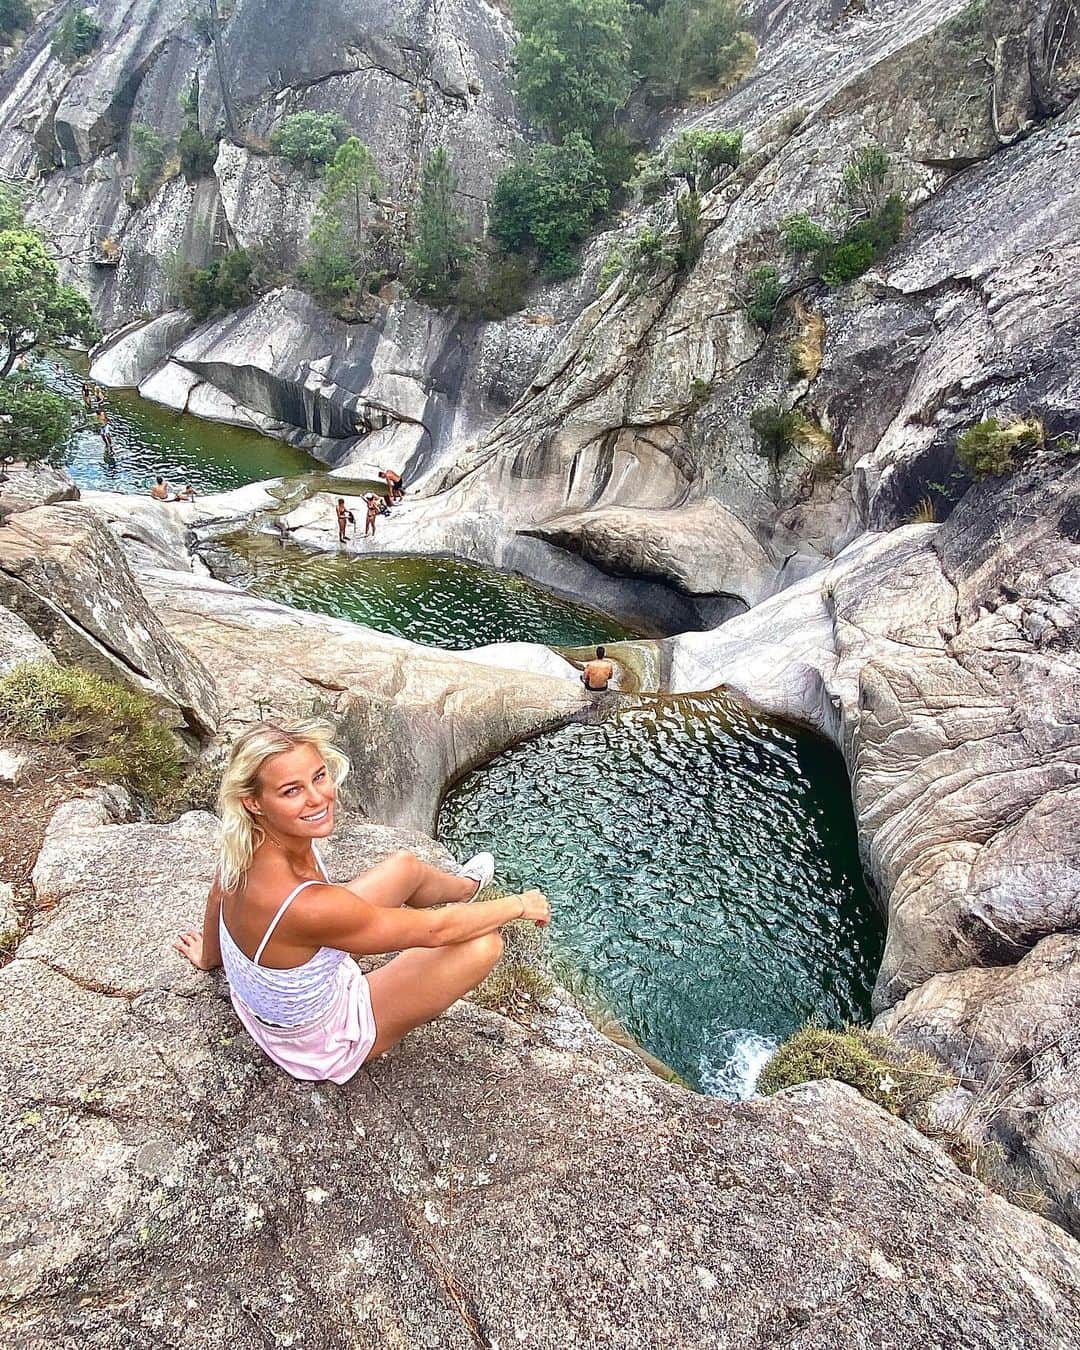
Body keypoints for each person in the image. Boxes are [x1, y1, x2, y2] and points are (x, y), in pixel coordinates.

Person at [173, 720, 550, 1082]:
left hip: (268, 996)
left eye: (319, 776)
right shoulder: (307, 905)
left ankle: (465, 888)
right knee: (483, 943)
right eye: (291, 791)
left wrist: (210, 955)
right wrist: (518, 905)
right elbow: (436, 930)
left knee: (405, 867)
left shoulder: (244, 843)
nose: (318, 797)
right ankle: (472, 900)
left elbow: (217, 894)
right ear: (254, 802)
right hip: (317, 1038)